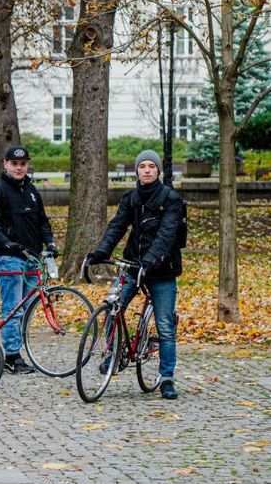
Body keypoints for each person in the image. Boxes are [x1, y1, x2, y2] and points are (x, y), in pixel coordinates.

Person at [86, 149, 183, 400]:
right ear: (137, 171)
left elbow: (165, 236)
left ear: (158, 170)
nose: (147, 170)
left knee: (164, 325)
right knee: (112, 309)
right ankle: (112, 354)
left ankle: (167, 378)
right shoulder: (131, 198)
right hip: (132, 266)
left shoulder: (171, 199)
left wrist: (149, 262)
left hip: (161, 270)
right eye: (143, 166)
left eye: (152, 166)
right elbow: (117, 226)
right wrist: (100, 252)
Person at [0, 144, 55, 374]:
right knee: (13, 308)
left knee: (24, 309)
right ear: (5, 164)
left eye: (22, 164)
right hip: (8, 258)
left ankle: (18, 350)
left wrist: (50, 242)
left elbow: (42, 221)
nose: (19, 168)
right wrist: (6, 243)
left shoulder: (32, 190)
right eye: (14, 164)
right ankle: (12, 356)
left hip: (32, 258)